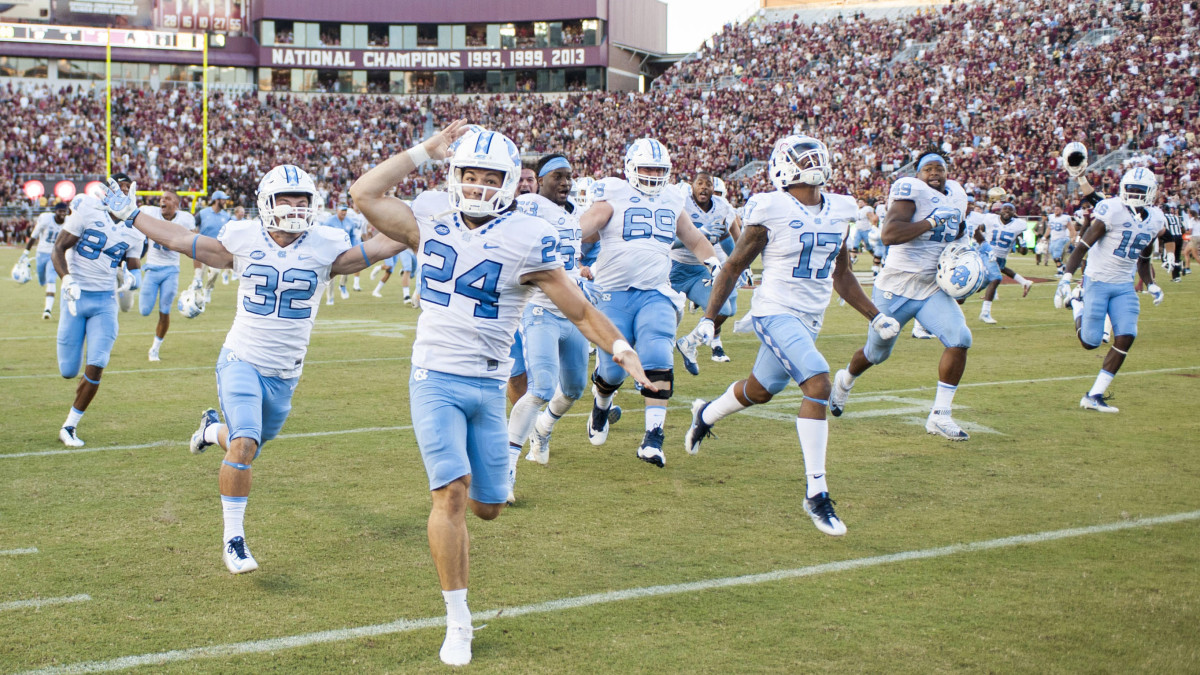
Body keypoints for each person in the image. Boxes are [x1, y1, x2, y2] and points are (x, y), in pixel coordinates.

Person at [350, 122, 653, 667]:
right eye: (470, 173)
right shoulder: (429, 217)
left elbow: (579, 308)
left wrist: (621, 347)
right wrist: (424, 150)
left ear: (511, 182)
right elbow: (363, 194)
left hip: (489, 386)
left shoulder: (527, 236)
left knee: (487, 507)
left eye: (491, 177)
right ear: (453, 174)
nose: (478, 185)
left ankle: (476, 527)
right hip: (434, 377)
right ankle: (458, 620)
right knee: (451, 495)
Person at [103, 164, 407, 574]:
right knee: (245, 443)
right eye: (286, 199)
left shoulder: (325, 246)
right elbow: (179, 238)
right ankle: (234, 541)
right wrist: (133, 215)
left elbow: (381, 248)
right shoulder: (243, 239)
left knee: (246, 444)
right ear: (266, 203)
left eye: (302, 200)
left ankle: (209, 430)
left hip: (286, 373)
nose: (295, 207)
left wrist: (432, 223)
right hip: (241, 359)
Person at [683, 135, 899, 536]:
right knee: (818, 382)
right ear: (784, 167)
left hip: (810, 317)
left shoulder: (840, 208)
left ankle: (705, 414)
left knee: (760, 390)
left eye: (816, 155)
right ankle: (816, 493)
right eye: (804, 158)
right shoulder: (772, 207)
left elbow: (842, 274)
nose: (813, 162)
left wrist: (876, 315)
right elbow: (733, 266)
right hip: (774, 310)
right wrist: (710, 318)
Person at [580, 137, 723, 468]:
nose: (653, 175)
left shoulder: (672, 198)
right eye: (647, 168)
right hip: (613, 293)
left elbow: (693, 237)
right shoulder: (613, 191)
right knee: (611, 370)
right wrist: (567, 241)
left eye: (659, 170)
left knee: (658, 352)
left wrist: (715, 264)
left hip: (656, 292)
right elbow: (588, 224)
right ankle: (601, 405)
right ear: (631, 167)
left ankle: (653, 438)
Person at [828, 151, 974, 441]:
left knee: (960, 339)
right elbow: (890, 234)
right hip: (895, 287)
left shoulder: (957, 195)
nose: (934, 173)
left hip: (932, 287)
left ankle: (940, 415)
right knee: (876, 353)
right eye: (928, 168)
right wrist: (931, 222)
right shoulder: (911, 192)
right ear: (917, 174)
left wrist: (966, 269)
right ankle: (845, 379)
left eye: (940, 168)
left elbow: (960, 234)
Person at [505, 153, 589, 496]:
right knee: (540, 387)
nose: (565, 182)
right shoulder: (530, 205)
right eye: (558, 176)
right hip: (539, 309)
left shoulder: (573, 213)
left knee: (574, 389)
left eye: (569, 176)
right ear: (540, 180)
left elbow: (576, 258)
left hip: (574, 311)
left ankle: (542, 429)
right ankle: (506, 470)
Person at [1055, 167, 1165, 412]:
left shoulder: (1156, 219)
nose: (1135, 194)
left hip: (1124, 285)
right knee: (1090, 342)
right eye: (1131, 189)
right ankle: (1077, 303)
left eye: (1140, 190)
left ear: (1151, 192)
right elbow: (1082, 246)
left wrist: (1151, 284)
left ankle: (1094, 395)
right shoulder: (1112, 209)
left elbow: (1144, 259)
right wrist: (1067, 277)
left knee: (1127, 336)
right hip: (1098, 281)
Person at [51, 173, 146, 447]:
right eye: (119, 188)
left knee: (97, 365)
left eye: (128, 189)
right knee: (68, 370)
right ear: (107, 191)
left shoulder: (136, 227)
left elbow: (134, 267)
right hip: (75, 297)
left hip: (105, 301)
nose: (123, 193)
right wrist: (67, 280)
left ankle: (69, 426)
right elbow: (58, 248)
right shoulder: (87, 209)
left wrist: (132, 279)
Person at [672, 171, 744, 373]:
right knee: (662, 319)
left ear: (713, 188)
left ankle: (689, 342)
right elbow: (668, 241)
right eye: (700, 183)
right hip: (672, 267)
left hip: (700, 270)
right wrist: (700, 233)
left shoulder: (721, 207)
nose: (704, 187)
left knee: (724, 309)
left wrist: (740, 264)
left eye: (708, 184)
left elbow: (726, 237)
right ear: (692, 186)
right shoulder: (680, 202)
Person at [138, 189, 198, 361]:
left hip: (171, 270)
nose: (162, 201)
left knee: (164, 311)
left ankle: (155, 349)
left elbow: (197, 245)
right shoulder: (150, 212)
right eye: (161, 198)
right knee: (144, 310)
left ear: (176, 204)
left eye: (167, 198)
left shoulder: (185, 219)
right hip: (152, 269)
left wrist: (197, 275)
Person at [974, 201, 1034, 324]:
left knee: (975, 288)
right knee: (996, 278)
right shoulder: (991, 219)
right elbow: (978, 230)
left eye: (1010, 209)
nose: (1007, 211)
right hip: (987, 254)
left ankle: (954, 298)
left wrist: (1023, 245)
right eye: (1005, 208)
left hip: (1000, 257)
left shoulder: (1018, 225)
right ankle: (985, 313)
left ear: (1014, 212)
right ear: (1000, 211)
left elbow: (1023, 252)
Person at [23, 200, 68, 319]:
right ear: (55, 211)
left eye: (64, 211)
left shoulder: (69, 222)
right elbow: (34, 236)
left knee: (51, 280)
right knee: (42, 279)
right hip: (41, 252)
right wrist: (25, 252)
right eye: (60, 211)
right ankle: (43, 283)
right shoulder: (46, 219)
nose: (62, 213)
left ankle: (47, 310)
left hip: (55, 254)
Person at [193, 190, 232, 302]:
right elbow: (192, 224)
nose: (225, 202)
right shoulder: (203, 213)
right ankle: (195, 297)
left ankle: (208, 290)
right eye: (223, 199)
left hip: (217, 251)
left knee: (215, 272)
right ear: (216, 200)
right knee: (199, 275)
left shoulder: (226, 216)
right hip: (202, 249)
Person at [323, 202, 365, 302]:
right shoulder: (329, 221)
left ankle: (342, 285)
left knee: (346, 269)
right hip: (331, 250)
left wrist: (353, 247)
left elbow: (353, 236)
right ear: (337, 210)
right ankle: (330, 298)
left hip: (345, 250)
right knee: (331, 274)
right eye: (342, 210)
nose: (344, 213)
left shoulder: (350, 222)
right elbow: (323, 234)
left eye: (345, 210)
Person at [1045, 202, 1077, 276]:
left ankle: (1060, 272)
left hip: (1062, 238)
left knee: (1057, 255)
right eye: (1055, 209)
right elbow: (1049, 228)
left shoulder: (1065, 218)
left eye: (1058, 209)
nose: (1056, 211)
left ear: (1062, 210)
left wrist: (1073, 237)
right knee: (1053, 254)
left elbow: (1071, 229)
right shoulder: (1051, 217)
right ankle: (1063, 267)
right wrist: (1044, 237)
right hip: (1053, 239)